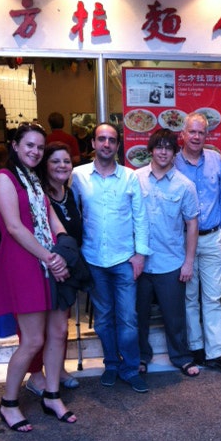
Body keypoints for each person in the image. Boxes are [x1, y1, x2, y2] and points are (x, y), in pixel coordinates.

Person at [0, 123, 76, 432]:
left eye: (40, 147)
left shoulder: (35, 180)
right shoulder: (4, 179)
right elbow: (14, 227)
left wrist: (63, 245)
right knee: (33, 340)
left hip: (48, 260)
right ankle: (8, 403)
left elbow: (51, 217)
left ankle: (52, 395)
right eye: (29, 145)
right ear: (14, 145)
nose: (35, 151)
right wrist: (51, 259)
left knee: (57, 332)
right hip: (23, 263)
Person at [71, 122, 152, 393]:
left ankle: (130, 368)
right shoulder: (77, 176)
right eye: (101, 139)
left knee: (128, 319)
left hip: (124, 261)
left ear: (118, 146)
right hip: (93, 260)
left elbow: (141, 219)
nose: (106, 144)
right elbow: (70, 216)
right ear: (93, 143)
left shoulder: (130, 177)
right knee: (104, 318)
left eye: (112, 140)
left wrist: (140, 254)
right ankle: (111, 364)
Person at [174, 112, 221, 373]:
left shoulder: (215, 159)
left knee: (213, 297)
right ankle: (196, 348)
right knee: (189, 297)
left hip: (213, 237)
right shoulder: (174, 163)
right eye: (192, 131)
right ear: (183, 134)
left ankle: (217, 352)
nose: (196, 136)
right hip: (183, 240)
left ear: (207, 135)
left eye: (201, 132)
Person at [135, 128, 200, 377]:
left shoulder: (185, 185)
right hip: (139, 261)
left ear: (175, 153)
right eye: (159, 146)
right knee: (138, 315)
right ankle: (141, 356)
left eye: (169, 147)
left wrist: (188, 262)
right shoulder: (135, 178)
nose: (163, 152)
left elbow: (192, 224)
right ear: (151, 150)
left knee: (175, 316)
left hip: (171, 261)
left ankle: (181, 357)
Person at [24, 142, 83, 396]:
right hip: (41, 267)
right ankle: (36, 375)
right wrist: (54, 261)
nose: (62, 166)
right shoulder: (39, 195)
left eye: (66, 161)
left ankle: (57, 369)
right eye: (55, 161)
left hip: (65, 269)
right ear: (45, 165)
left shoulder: (70, 193)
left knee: (60, 327)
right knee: (36, 329)